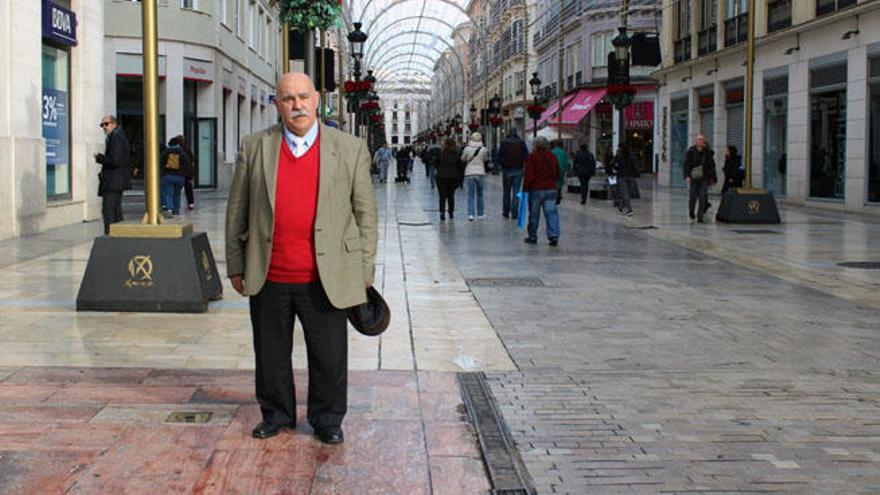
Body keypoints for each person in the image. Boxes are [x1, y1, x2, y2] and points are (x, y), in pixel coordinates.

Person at [225, 73, 378, 445]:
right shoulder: (256, 146)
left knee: (329, 354)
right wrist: (235, 264)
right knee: (271, 353)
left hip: (325, 276)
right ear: (277, 104)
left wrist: (364, 270)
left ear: (316, 100)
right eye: (288, 98)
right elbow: (237, 211)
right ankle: (276, 414)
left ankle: (327, 419)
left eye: (303, 97)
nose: (297, 105)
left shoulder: (350, 148)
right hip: (270, 271)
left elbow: (366, 215)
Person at [94, 115, 132, 234]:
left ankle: (110, 234)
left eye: (106, 124)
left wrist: (100, 158)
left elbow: (115, 160)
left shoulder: (115, 137)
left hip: (113, 181)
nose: (104, 127)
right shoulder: (116, 137)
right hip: (116, 181)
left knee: (109, 210)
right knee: (115, 209)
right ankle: (117, 234)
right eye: (102, 125)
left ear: (114, 124)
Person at [523, 136, 560, 246]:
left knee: (534, 214)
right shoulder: (552, 156)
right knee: (551, 213)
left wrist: (525, 188)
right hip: (551, 188)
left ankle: (533, 236)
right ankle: (553, 235)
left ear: (536, 145)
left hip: (536, 189)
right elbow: (557, 173)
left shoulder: (532, 157)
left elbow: (529, 175)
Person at [683, 134, 717, 223]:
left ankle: (700, 215)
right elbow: (686, 164)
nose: (700, 141)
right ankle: (691, 211)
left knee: (703, 197)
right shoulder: (691, 151)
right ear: (696, 141)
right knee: (693, 197)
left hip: (704, 178)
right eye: (698, 140)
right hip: (694, 178)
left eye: (702, 140)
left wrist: (713, 178)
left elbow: (712, 166)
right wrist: (687, 176)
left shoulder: (707, 152)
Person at [498, 130, 529, 219]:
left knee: (506, 192)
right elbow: (526, 156)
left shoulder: (504, 143)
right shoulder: (521, 142)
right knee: (517, 192)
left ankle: (506, 211)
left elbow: (499, 156)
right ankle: (514, 212)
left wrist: (503, 165)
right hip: (518, 169)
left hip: (507, 170)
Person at [159, 135, 191, 217]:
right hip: (180, 177)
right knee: (177, 194)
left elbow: (160, 164)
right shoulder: (183, 153)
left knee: (168, 193)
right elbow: (187, 166)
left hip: (167, 176)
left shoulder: (165, 153)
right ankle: (176, 211)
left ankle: (169, 208)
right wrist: (188, 176)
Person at [460, 132, 490, 221]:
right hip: (480, 173)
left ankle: (471, 214)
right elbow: (486, 159)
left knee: (470, 194)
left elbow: (463, 159)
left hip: (470, 173)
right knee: (480, 194)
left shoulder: (467, 149)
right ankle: (480, 214)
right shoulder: (484, 149)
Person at [435, 138, 461, 221]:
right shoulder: (456, 154)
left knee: (442, 196)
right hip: (453, 177)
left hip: (441, 177)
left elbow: (436, 164)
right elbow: (460, 166)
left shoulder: (441, 154)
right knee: (451, 196)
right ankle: (451, 213)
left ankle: (442, 213)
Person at [613, 143, 637, 217]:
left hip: (622, 176)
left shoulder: (619, 156)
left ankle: (630, 210)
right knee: (627, 193)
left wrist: (617, 169)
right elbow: (635, 166)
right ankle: (620, 206)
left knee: (625, 193)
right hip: (631, 177)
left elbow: (614, 165)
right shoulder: (632, 156)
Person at [176, 136, 196, 211]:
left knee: (177, 189)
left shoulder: (178, 151)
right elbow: (192, 161)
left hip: (179, 172)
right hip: (187, 172)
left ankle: (176, 205)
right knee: (189, 189)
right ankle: (191, 203)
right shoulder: (187, 149)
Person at [551, 141, 570, 205]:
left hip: (554, 170)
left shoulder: (553, 151)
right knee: (560, 182)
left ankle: (555, 194)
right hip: (562, 170)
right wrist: (567, 170)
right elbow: (566, 162)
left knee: (554, 182)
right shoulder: (563, 152)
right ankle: (559, 193)